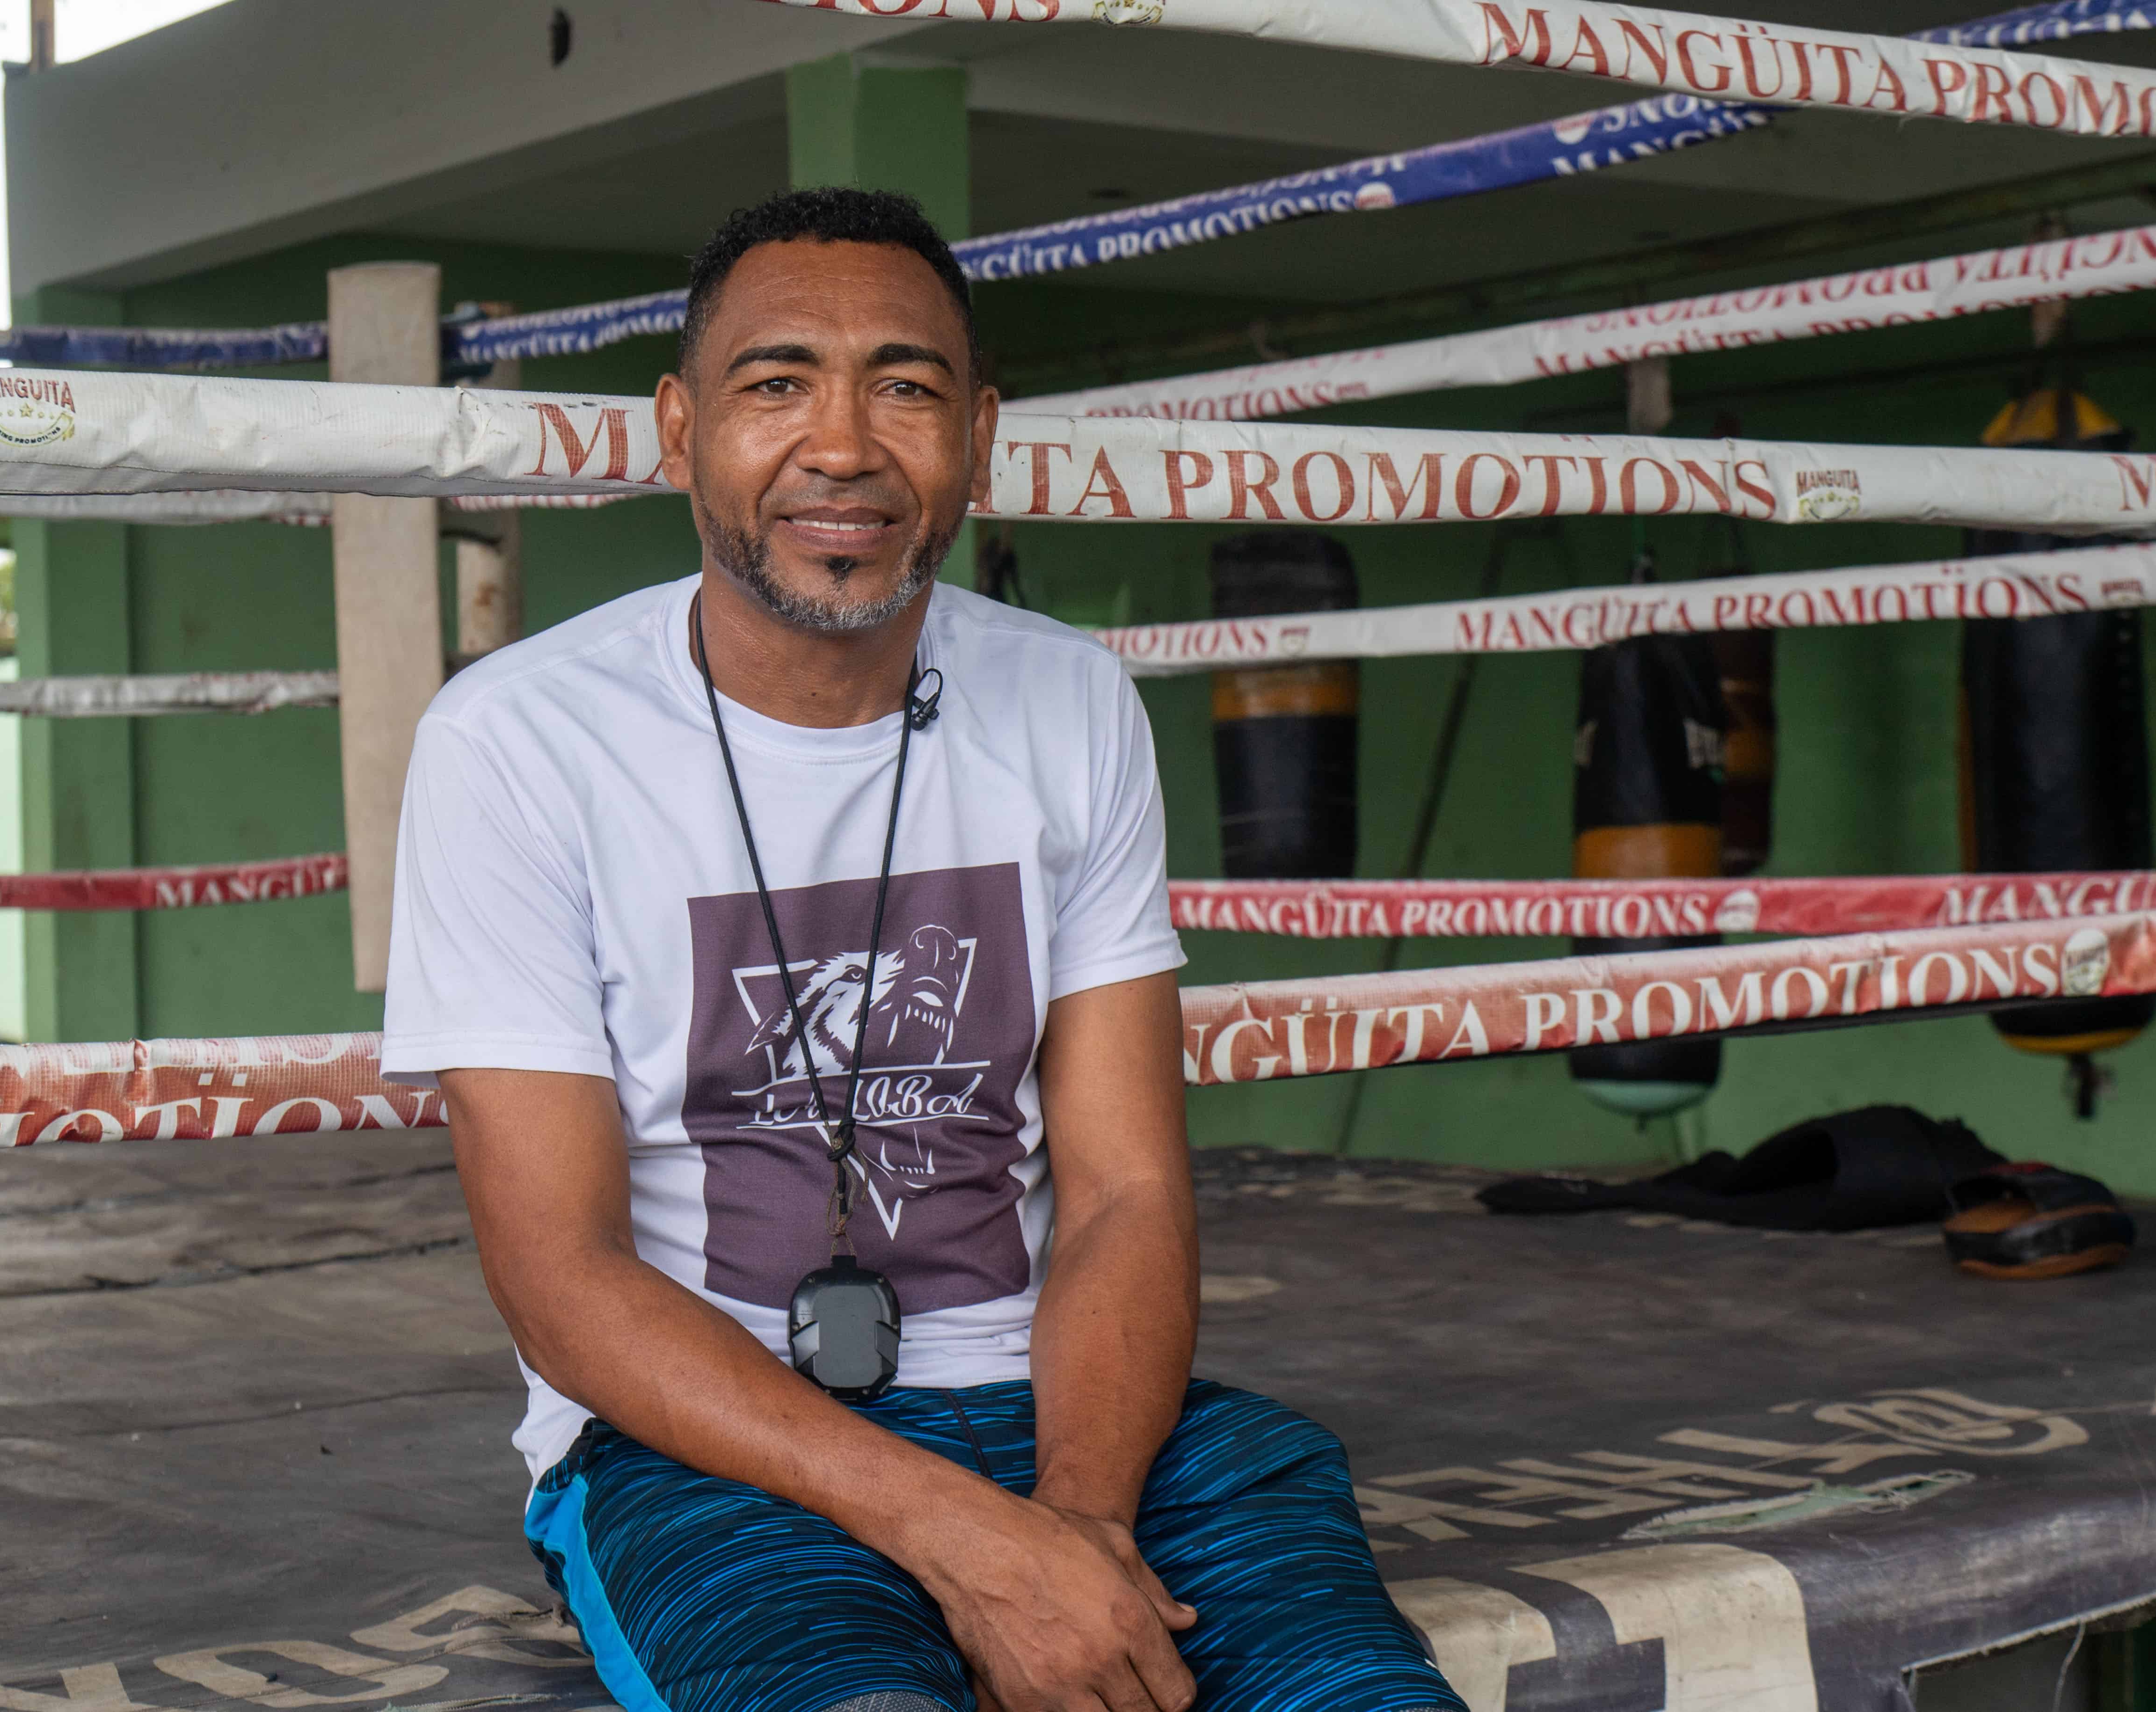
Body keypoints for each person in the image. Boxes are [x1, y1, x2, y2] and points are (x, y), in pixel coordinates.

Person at [380, 187, 1466, 1712]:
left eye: (904, 385)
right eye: (777, 386)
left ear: (979, 433)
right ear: (680, 432)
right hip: (713, 1446)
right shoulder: (518, 742)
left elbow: (1128, 1187)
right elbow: (558, 1272)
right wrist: (968, 1539)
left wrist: (1068, 1530)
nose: (843, 444)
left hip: (1073, 1414)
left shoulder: (1070, 702)